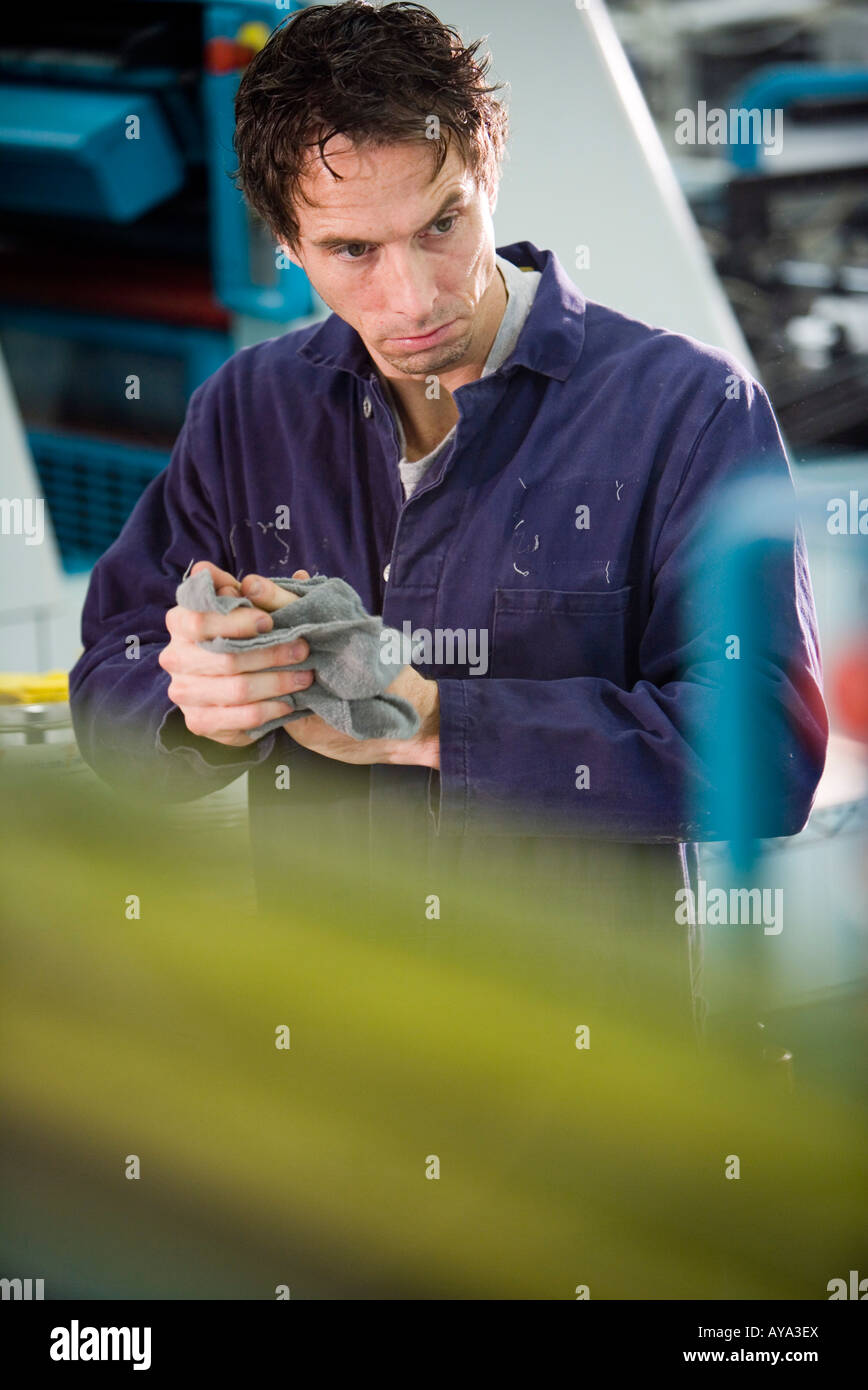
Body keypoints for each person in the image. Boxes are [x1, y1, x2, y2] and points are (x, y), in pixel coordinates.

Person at [69, 2, 827, 1037]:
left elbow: (764, 759)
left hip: (594, 1058)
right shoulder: (250, 410)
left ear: (489, 169)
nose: (414, 294)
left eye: (441, 223)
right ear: (285, 242)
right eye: (350, 250)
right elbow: (108, 676)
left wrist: (437, 725)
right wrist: (194, 711)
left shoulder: (685, 411)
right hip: (328, 1034)